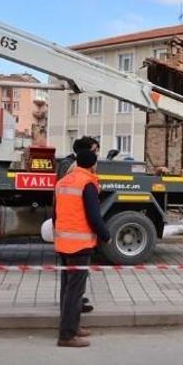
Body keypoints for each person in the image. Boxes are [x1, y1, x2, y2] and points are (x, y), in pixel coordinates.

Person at [53, 150, 111, 348]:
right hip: (79, 244)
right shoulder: (87, 184)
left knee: (67, 289)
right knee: (75, 291)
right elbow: (94, 217)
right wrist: (106, 236)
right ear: (93, 165)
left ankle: (73, 326)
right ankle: (67, 336)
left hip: (63, 243)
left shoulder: (63, 182)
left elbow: (55, 214)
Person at [55, 136, 100, 315]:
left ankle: (73, 310)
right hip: (75, 236)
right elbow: (90, 213)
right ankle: (69, 328)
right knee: (73, 283)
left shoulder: (71, 169)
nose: (97, 154)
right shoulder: (75, 171)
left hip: (66, 235)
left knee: (71, 281)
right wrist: (104, 234)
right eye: (95, 150)